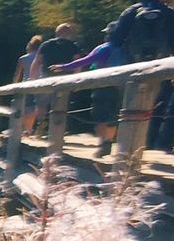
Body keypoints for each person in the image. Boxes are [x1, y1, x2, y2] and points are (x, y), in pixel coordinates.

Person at [108, 0, 174, 151]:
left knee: (129, 105)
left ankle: (127, 146)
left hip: (133, 66)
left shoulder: (130, 12)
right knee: (159, 104)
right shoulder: (169, 13)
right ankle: (152, 144)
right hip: (162, 66)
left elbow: (115, 41)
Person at [51, 23, 123, 157]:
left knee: (99, 115)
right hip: (121, 86)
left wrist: (64, 67)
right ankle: (109, 141)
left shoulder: (104, 48)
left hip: (102, 85)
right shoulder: (125, 49)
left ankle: (103, 144)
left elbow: (87, 60)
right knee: (113, 115)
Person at [25, 24, 80, 134]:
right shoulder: (73, 46)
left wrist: (32, 78)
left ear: (57, 32)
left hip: (47, 76)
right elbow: (77, 63)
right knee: (61, 103)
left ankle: (42, 126)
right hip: (66, 78)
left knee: (42, 104)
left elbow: (37, 61)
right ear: (69, 34)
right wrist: (76, 79)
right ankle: (58, 129)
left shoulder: (47, 44)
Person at [14, 34, 44, 133]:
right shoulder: (43, 57)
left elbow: (18, 74)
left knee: (26, 107)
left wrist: (14, 85)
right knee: (37, 107)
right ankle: (32, 129)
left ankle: (26, 129)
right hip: (40, 84)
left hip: (26, 85)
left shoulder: (23, 58)